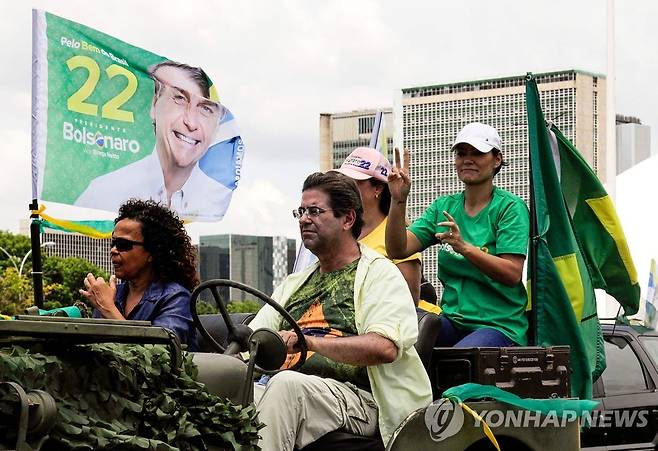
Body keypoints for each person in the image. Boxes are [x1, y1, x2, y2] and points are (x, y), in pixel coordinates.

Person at [248, 171, 432, 450]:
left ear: (347, 219)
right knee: (221, 384)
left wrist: (309, 343)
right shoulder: (295, 283)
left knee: (287, 386)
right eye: (300, 211)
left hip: (359, 397)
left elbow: (384, 348)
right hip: (288, 388)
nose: (303, 219)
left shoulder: (380, 274)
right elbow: (251, 337)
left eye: (314, 211)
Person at [386, 122, 529, 347]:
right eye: (462, 153)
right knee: (394, 331)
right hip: (452, 322)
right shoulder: (444, 206)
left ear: (497, 160)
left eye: (478, 153)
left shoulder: (510, 208)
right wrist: (398, 200)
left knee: (457, 361)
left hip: (497, 325)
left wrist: (464, 248)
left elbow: (512, 273)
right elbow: (398, 249)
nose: (468, 159)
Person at [75, 60, 241, 221]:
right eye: (179, 99)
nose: (191, 122)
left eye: (205, 108)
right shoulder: (103, 191)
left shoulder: (212, 196)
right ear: (154, 104)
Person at [80, 198, 197, 346]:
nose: (113, 250)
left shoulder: (175, 297)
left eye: (123, 244)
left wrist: (109, 309)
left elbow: (160, 354)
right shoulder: (113, 295)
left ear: (153, 252)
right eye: (113, 243)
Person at [335, 147, 423, 305]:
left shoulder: (398, 235)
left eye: (354, 182)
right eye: (343, 181)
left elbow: (410, 299)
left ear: (378, 188)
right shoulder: (340, 232)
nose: (345, 189)